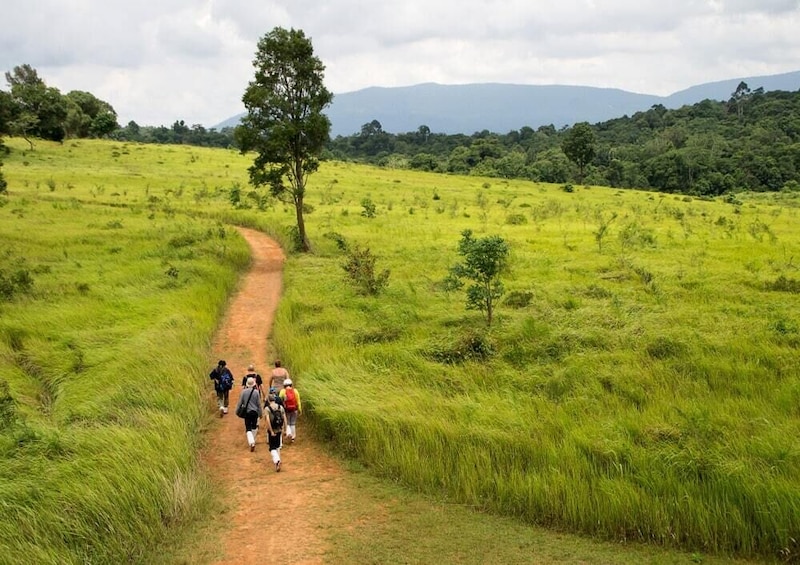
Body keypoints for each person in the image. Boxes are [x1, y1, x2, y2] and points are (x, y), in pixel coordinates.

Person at [234, 377, 263, 451]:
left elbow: (240, 403)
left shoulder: (243, 392)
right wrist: (260, 413)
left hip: (247, 413)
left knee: (248, 428)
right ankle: (253, 440)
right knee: (254, 427)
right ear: (254, 384)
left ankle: (251, 442)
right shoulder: (256, 392)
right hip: (255, 412)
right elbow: (259, 404)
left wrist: (237, 411)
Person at [265, 392, 286, 471]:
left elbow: (267, 420)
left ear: (268, 400)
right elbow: (284, 418)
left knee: (272, 448)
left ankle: (277, 461)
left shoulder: (267, 409)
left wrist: (271, 431)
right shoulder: (280, 407)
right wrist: (285, 429)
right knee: (277, 446)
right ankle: (278, 461)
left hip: (272, 430)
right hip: (279, 428)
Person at [278, 378, 301, 443]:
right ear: (291, 384)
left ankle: (289, 434)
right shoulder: (295, 391)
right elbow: (298, 401)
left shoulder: (283, 391)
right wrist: (299, 409)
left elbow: (279, 400)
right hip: (294, 409)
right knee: (293, 423)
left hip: (286, 410)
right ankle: (293, 437)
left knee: (287, 423)